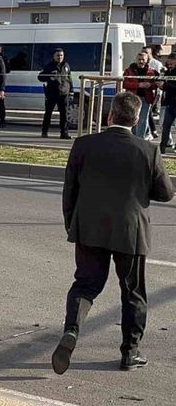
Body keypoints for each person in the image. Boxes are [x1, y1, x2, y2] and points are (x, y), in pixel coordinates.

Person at [54, 92, 174, 376]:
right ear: (136, 119)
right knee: (133, 292)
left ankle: (72, 329)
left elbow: (69, 190)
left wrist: (72, 225)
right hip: (130, 231)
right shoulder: (148, 150)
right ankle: (130, 352)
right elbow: (166, 193)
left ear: (110, 116)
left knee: (85, 285)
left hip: (89, 229)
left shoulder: (83, 145)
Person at [37, 48, 73, 140]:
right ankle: (44, 132)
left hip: (64, 93)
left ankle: (64, 133)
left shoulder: (66, 65)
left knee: (64, 115)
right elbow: (40, 77)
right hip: (52, 93)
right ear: (54, 56)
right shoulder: (49, 66)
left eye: (61, 55)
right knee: (48, 113)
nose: (59, 57)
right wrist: (49, 77)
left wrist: (71, 91)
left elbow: (69, 79)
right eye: (58, 55)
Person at [123, 51, 160, 139]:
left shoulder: (151, 72)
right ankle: (133, 138)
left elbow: (156, 84)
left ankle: (140, 140)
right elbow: (124, 84)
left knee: (143, 120)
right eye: (139, 59)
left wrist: (150, 85)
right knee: (133, 119)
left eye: (143, 59)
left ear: (147, 60)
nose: (141, 61)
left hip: (146, 99)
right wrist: (138, 85)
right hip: (132, 99)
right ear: (136, 60)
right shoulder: (129, 71)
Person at [143, 46, 164, 139]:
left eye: (146, 52)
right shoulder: (142, 62)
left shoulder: (156, 64)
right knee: (147, 113)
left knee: (148, 112)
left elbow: (160, 78)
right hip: (144, 91)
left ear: (150, 54)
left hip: (154, 91)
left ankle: (151, 131)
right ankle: (151, 131)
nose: (144, 54)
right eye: (143, 52)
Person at [160, 53, 176, 154]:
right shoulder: (167, 71)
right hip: (169, 103)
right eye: (168, 63)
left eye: (171, 62)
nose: (169, 64)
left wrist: (165, 85)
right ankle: (162, 147)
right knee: (165, 126)